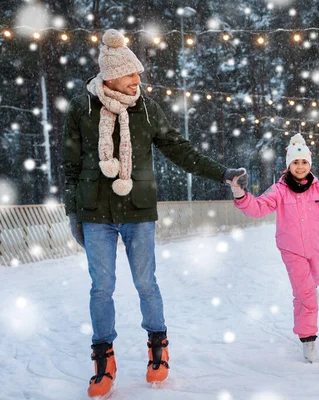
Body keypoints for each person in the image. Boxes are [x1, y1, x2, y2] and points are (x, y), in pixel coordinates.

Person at [62, 29, 247, 398]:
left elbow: (180, 149)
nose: (137, 81)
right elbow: (69, 166)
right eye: (131, 75)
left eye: (138, 75)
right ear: (111, 74)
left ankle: (157, 348)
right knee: (102, 288)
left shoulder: (146, 109)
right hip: (94, 212)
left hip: (138, 210)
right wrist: (73, 213)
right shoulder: (82, 109)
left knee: (146, 284)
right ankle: (103, 359)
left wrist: (221, 173)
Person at [228, 133, 319, 363]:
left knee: (312, 281)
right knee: (306, 294)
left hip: (314, 249)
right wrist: (240, 194)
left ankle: (307, 296)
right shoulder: (279, 190)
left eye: (304, 162)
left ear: (310, 164)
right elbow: (258, 208)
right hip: (291, 250)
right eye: (295, 162)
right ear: (289, 165)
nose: (300, 167)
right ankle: (308, 337)